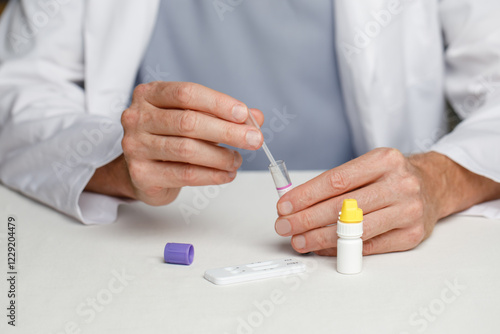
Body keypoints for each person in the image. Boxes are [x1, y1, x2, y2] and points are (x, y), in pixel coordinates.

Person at [1, 1, 499, 256]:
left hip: (366, 259)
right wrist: (117, 159)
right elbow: (15, 90)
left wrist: (440, 180)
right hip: (145, 248)